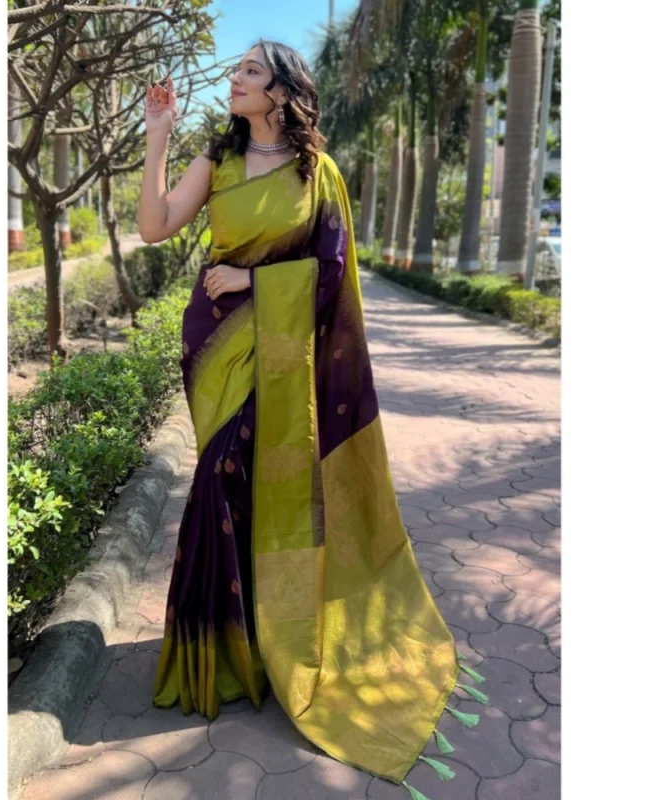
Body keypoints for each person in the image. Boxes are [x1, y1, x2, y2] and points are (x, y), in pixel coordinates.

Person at [137, 40, 488, 800]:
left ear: (283, 90)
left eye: (249, 71)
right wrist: (157, 135)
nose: (234, 79)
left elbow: (329, 273)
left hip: (281, 347)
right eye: (234, 70)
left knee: (256, 485)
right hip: (219, 345)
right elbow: (156, 225)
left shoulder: (315, 172)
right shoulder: (218, 160)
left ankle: (267, 641)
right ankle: (219, 652)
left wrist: (254, 280)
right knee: (220, 478)